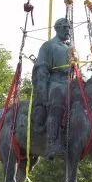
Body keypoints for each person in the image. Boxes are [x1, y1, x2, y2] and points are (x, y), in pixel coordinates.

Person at [32, 17, 74, 158]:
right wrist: (43, 93)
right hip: (55, 83)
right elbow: (42, 70)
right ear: (57, 28)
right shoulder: (49, 46)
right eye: (64, 27)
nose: (67, 30)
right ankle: (52, 143)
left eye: (68, 27)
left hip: (71, 82)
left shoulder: (70, 49)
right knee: (57, 104)